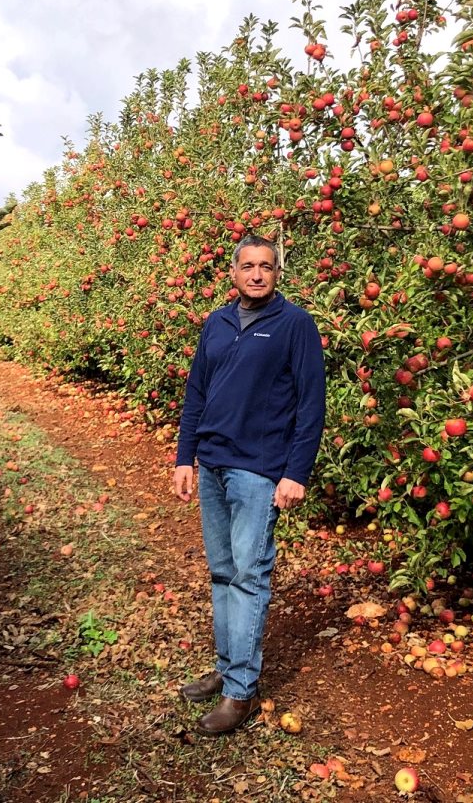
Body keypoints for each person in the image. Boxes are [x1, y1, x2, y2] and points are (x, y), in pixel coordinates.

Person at [172, 234, 326, 736]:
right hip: (212, 464)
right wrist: (184, 458)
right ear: (233, 273)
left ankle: (241, 691)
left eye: (266, 266)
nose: (257, 274)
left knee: (249, 574)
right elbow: (196, 393)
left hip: (258, 469)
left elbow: (311, 405)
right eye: (248, 266)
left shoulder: (295, 325)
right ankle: (227, 665)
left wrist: (295, 472)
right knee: (221, 572)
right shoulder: (215, 323)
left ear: (277, 272)